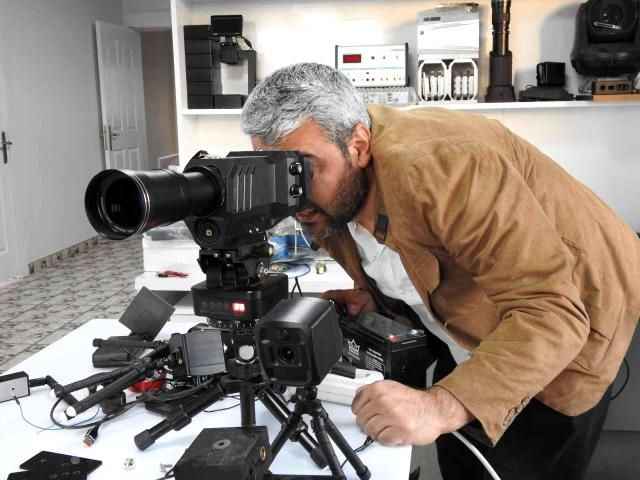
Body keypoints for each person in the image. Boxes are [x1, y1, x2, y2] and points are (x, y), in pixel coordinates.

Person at [240, 63, 640, 479]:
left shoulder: (443, 166)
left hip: (573, 313)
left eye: (303, 169)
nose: (292, 195)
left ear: (358, 145)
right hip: (478, 321)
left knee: (523, 451)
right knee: (461, 453)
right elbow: (408, 252)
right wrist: (379, 302)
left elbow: (553, 312)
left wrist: (441, 406)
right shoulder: (335, 184)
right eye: (276, 174)